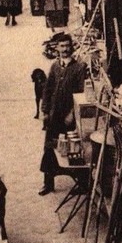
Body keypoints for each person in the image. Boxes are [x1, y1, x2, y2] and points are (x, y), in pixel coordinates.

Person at [39, 34, 87, 195]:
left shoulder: (79, 67)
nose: (65, 49)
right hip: (54, 115)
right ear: (57, 48)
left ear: (71, 47)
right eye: (62, 46)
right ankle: (48, 183)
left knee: (75, 150)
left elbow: (81, 93)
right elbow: (48, 89)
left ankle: (82, 184)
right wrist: (45, 111)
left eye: (67, 46)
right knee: (50, 148)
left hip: (69, 118)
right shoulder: (55, 66)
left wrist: (73, 114)